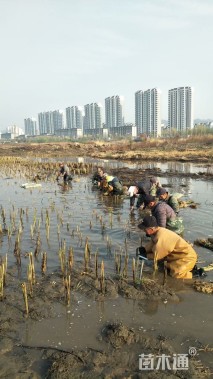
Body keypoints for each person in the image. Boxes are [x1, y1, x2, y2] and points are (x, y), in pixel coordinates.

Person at [138, 215, 197, 279]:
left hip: (186, 257)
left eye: (144, 229)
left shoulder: (162, 236)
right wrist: (145, 250)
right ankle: (188, 268)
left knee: (176, 275)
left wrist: (146, 256)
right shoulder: (157, 232)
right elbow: (152, 243)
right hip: (176, 256)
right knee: (163, 266)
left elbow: (157, 255)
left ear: (151, 229)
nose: (144, 231)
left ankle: (196, 274)